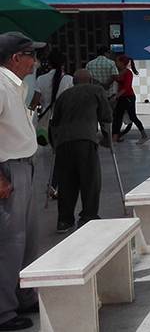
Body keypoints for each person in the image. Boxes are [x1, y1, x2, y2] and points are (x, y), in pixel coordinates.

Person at [0, 32, 45, 332]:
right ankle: (3, 311)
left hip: (25, 165)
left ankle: (23, 294)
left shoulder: (17, 86)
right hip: (9, 170)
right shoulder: (1, 85)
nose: (35, 60)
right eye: (31, 54)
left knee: (27, 237)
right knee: (9, 241)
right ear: (16, 58)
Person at [50, 69, 112, 233]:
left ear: (74, 82)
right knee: (90, 179)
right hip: (85, 140)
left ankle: (64, 220)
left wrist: (55, 144)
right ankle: (88, 216)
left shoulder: (64, 95)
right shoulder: (97, 90)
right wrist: (107, 137)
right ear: (91, 80)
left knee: (66, 182)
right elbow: (106, 117)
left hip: (63, 142)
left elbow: (55, 122)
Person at [29, 51, 74, 198]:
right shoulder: (68, 79)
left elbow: (35, 102)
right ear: (63, 64)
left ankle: (55, 184)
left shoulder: (41, 79)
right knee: (63, 155)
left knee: (58, 153)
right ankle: (54, 184)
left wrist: (26, 119)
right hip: (65, 121)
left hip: (49, 123)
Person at [111, 55, 148, 144]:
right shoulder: (119, 72)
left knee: (132, 116)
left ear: (122, 63)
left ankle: (144, 135)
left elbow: (126, 87)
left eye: (117, 61)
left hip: (128, 97)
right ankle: (114, 138)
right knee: (117, 117)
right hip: (121, 97)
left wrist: (116, 97)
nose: (116, 63)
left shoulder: (128, 73)